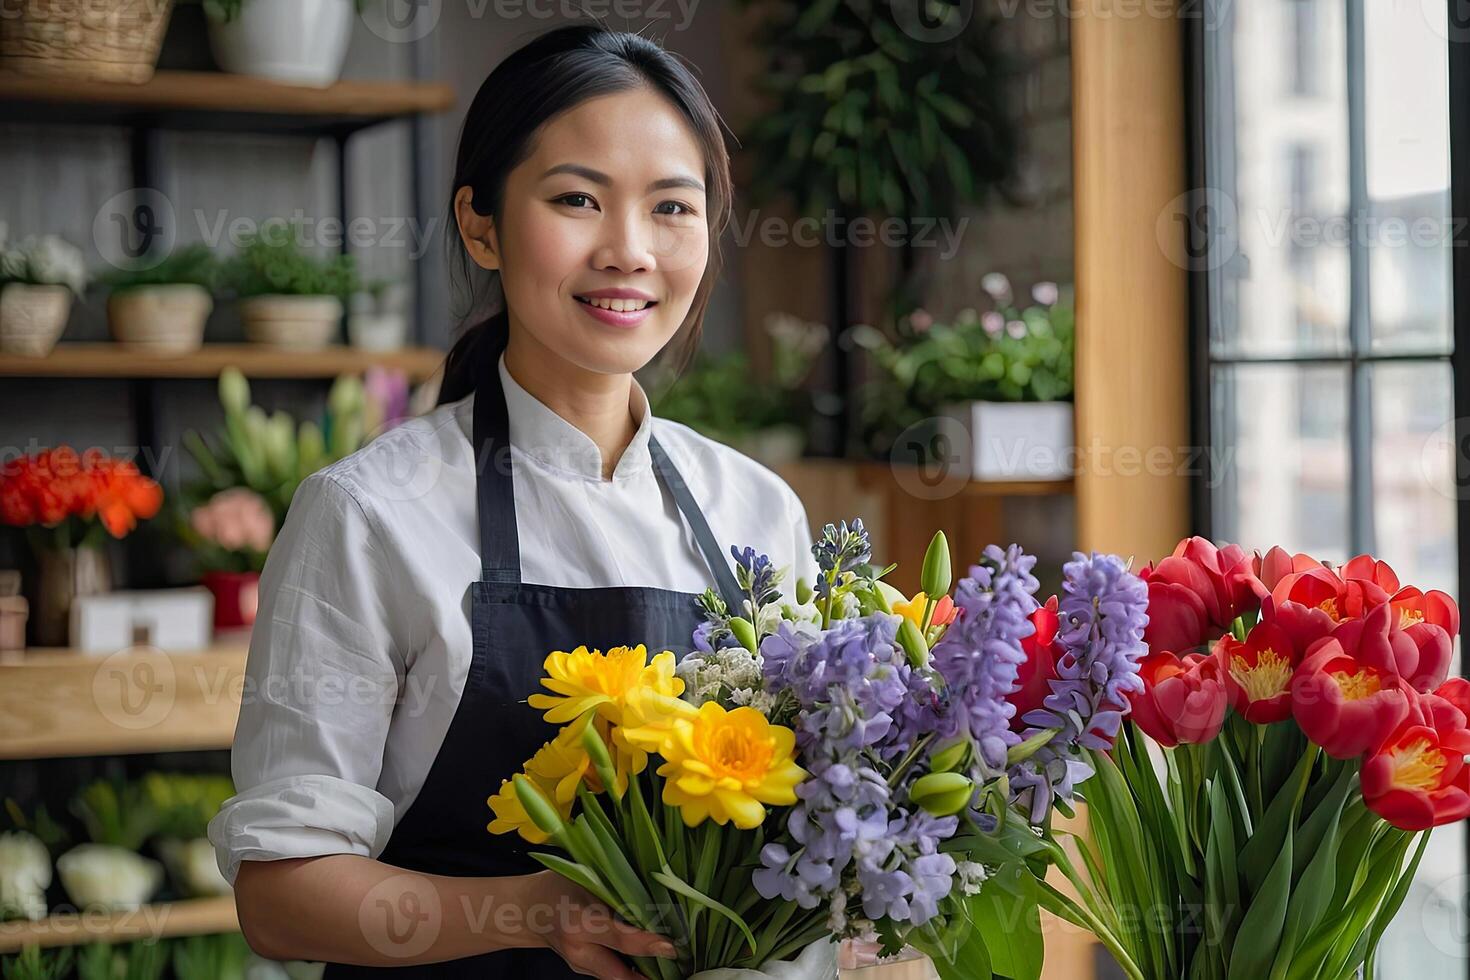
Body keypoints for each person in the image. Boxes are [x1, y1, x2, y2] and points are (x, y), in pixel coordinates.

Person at [207, 24, 819, 979]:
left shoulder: (756, 512)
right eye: (577, 199)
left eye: (672, 207)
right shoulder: (370, 516)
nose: (629, 250)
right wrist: (530, 913)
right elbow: (282, 897)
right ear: (481, 224)